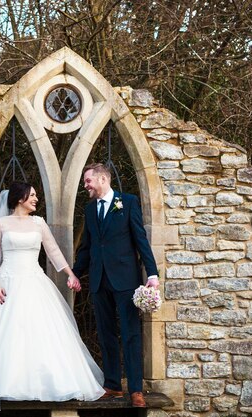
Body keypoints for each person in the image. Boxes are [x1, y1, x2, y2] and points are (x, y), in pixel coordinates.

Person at [0, 182, 104, 417]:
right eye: (32, 195)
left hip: (35, 281)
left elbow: (53, 250)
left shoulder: (39, 223)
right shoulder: (2, 224)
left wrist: (70, 274)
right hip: (6, 283)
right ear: (19, 198)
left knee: (39, 333)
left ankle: (41, 385)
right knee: (3, 333)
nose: (35, 199)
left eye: (35, 195)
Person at [72, 163, 159, 408]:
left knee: (131, 334)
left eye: (88, 180)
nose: (85, 185)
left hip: (125, 280)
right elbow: (87, 248)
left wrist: (152, 273)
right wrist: (76, 273)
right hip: (99, 280)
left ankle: (135, 390)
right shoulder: (90, 211)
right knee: (105, 333)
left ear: (102, 179)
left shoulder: (127, 202)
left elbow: (141, 240)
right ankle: (112, 385)